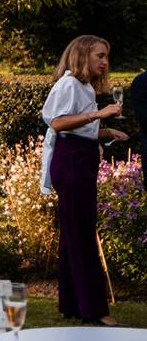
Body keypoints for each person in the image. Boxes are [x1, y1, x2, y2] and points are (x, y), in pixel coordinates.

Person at [41, 35, 129, 326]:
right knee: (80, 234)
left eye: (106, 57)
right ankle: (94, 309)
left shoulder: (84, 86)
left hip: (81, 157)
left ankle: (72, 303)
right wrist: (100, 114)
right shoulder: (68, 84)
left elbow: (79, 126)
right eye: (99, 56)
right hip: (71, 161)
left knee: (73, 233)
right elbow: (57, 121)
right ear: (82, 55)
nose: (105, 62)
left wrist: (104, 132)